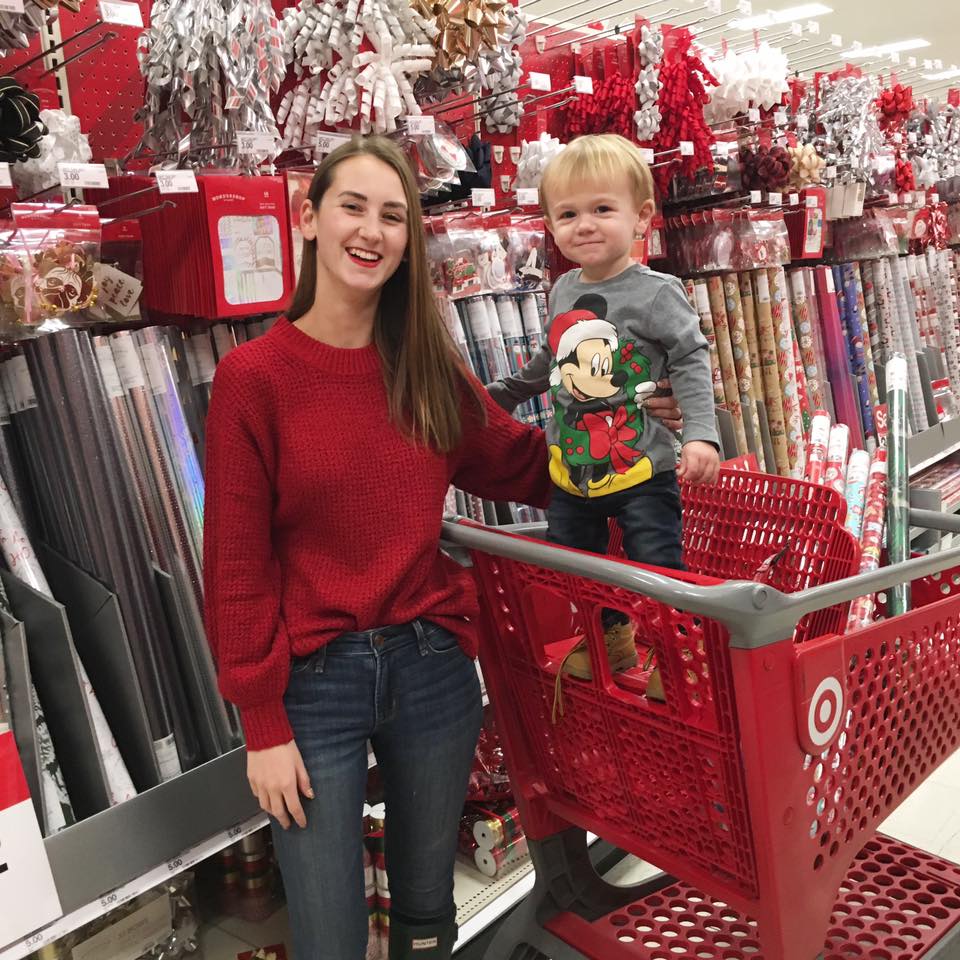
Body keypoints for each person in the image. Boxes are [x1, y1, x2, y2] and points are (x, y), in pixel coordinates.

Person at [203, 136, 683, 960]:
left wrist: (631, 449)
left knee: (427, 912)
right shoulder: (255, 379)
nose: (372, 230)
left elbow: (522, 466)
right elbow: (237, 567)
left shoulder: (425, 365)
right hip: (314, 683)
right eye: (352, 206)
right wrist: (262, 726)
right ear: (308, 217)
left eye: (394, 216)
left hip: (431, 666)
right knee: (328, 931)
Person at [489, 134, 720, 688]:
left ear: (641, 218)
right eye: (568, 214)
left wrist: (701, 435)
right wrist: (502, 394)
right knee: (578, 568)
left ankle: (676, 655)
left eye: (601, 209)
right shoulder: (564, 288)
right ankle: (611, 642)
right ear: (549, 224)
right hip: (573, 470)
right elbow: (550, 358)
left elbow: (691, 359)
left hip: (643, 465)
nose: (584, 225)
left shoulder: (658, 293)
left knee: (658, 566)